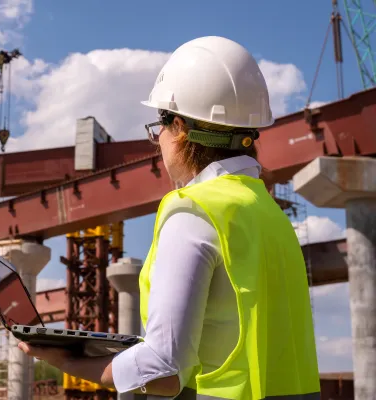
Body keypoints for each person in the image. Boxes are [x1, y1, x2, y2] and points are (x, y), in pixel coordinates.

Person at [18, 36, 320, 399]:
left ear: (179, 128)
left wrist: (61, 359)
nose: (158, 139)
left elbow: (164, 369)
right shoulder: (270, 214)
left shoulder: (194, 210)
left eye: (158, 127)